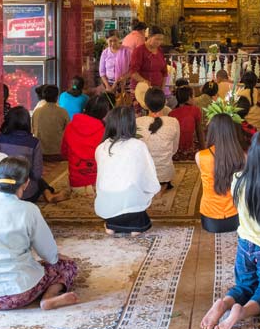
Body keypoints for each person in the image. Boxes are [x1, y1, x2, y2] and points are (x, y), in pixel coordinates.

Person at [0, 156, 79, 311]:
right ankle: (49, 298)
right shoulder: (29, 210)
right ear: (26, 183)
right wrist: (55, 257)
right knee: (67, 266)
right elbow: (47, 252)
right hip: (21, 291)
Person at [200, 132, 260, 329]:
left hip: (244, 244)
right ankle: (241, 313)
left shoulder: (238, 179)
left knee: (244, 285)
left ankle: (224, 303)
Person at [94, 107, 161, 235]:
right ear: (131, 124)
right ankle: (134, 227)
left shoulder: (101, 147)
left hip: (106, 207)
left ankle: (112, 225)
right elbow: (149, 176)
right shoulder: (138, 146)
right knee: (141, 191)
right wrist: (154, 190)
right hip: (132, 207)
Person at [0, 106, 65, 203]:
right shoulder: (33, 142)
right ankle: (48, 194)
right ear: (27, 122)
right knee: (38, 181)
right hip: (25, 194)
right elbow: (37, 174)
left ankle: (48, 193)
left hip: (1, 190)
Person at [195, 115, 246, 233]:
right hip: (236, 216)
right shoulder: (243, 157)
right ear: (232, 132)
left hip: (210, 218)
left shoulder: (200, 156)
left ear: (211, 131)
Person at [61, 93, 112, 195]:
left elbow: (64, 153)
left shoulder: (70, 126)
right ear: (104, 113)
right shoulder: (105, 131)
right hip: (99, 184)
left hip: (76, 183)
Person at [136, 87, 181, 187]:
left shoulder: (137, 122)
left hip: (143, 175)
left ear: (146, 104)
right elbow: (174, 149)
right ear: (165, 102)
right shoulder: (173, 122)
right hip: (165, 174)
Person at [31, 84, 70, 157]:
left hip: (41, 153)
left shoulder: (37, 112)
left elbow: (33, 131)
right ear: (57, 97)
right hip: (58, 153)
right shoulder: (63, 112)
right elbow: (69, 131)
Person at [169, 85, 205, 159]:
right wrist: (203, 149)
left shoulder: (171, 113)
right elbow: (199, 132)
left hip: (175, 152)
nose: (194, 98)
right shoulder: (195, 110)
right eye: (193, 95)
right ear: (189, 98)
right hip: (190, 150)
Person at [130, 25, 168, 90]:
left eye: (161, 39)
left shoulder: (160, 51)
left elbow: (164, 72)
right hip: (142, 89)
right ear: (149, 37)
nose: (159, 42)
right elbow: (133, 72)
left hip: (157, 88)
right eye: (157, 39)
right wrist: (144, 81)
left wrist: (162, 88)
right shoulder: (139, 50)